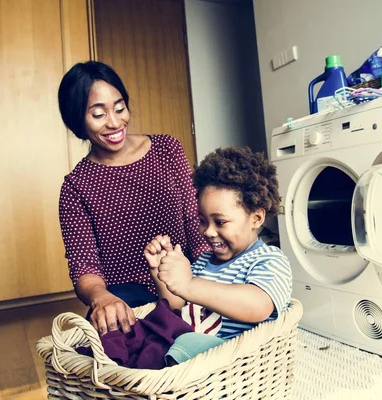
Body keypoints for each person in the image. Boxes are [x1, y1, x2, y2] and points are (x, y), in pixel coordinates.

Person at [57, 61, 210, 336]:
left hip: (186, 279)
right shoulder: (76, 187)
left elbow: (194, 221)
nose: (115, 122)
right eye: (98, 114)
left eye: (119, 108)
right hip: (129, 298)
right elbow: (84, 267)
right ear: (76, 118)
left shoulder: (167, 149)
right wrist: (102, 298)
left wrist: (211, 280)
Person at [144, 146, 293, 342]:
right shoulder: (203, 262)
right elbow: (178, 309)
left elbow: (258, 306)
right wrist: (161, 272)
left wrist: (189, 284)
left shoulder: (269, 260)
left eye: (220, 222)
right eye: (203, 221)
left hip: (232, 355)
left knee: (181, 344)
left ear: (256, 218)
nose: (208, 231)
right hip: (191, 348)